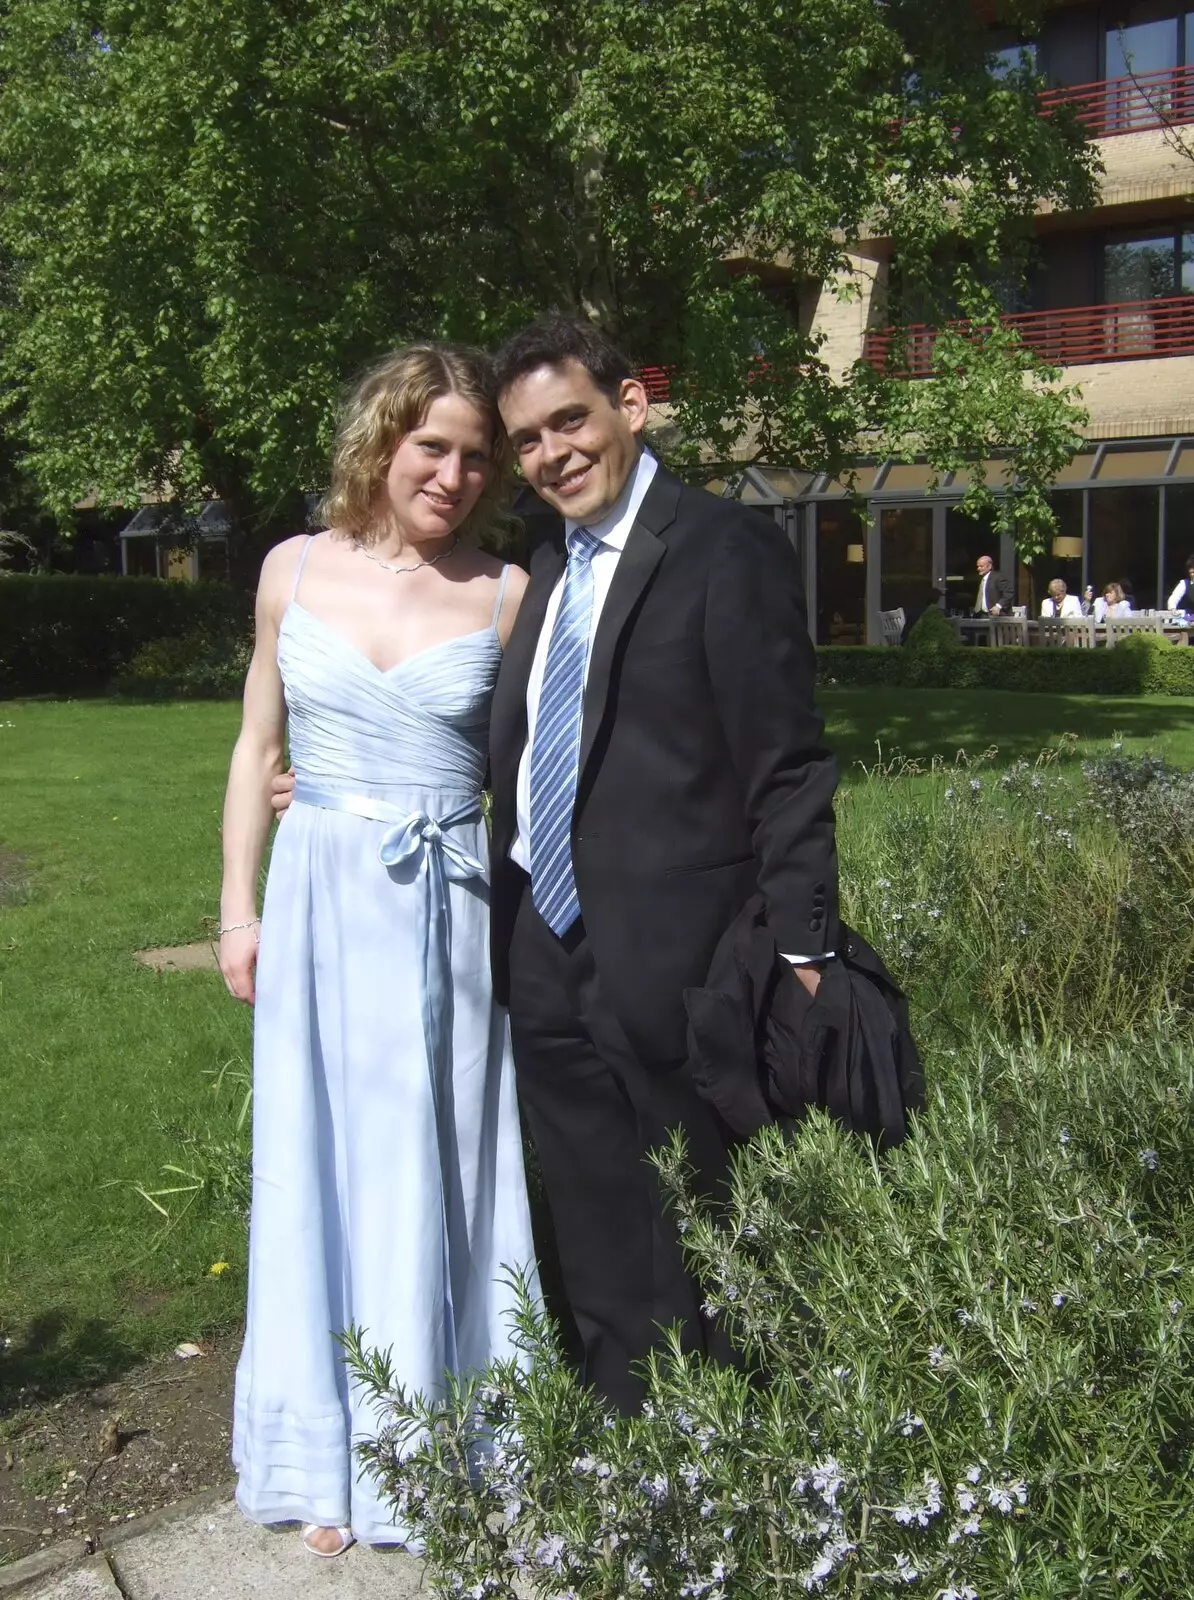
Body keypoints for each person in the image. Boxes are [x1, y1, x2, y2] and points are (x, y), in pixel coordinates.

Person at [487, 314, 838, 1414]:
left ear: (631, 405)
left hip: (681, 950)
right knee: (589, 1196)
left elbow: (786, 764)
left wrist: (806, 941)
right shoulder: (544, 569)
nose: (553, 452)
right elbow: (528, 734)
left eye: (571, 419)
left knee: (696, 1209)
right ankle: (621, 1413)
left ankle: (724, 1432)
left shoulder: (725, 548)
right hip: (541, 942)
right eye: (528, 439)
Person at [220, 344, 537, 1557]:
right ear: (382, 440)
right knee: (317, 1157)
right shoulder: (289, 572)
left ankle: (432, 1443)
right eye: (432, 446)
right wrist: (236, 908)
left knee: (433, 1161)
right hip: (315, 906)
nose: (452, 474)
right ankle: (323, 1456)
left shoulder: (508, 592)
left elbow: (541, 774)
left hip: (447, 911)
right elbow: (257, 750)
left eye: (473, 454)